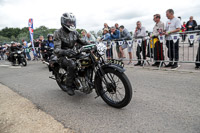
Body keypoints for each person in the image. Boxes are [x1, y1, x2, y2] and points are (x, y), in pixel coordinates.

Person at [53, 12, 90, 96]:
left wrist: (94, 44)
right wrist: (65, 51)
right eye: (69, 22)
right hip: (62, 55)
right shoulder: (58, 33)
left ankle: (86, 79)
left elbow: (83, 41)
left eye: (73, 22)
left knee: (87, 59)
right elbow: (56, 49)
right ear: (63, 22)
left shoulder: (75, 33)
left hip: (73, 53)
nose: (71, 24)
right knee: (72, 64)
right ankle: (69, 86)